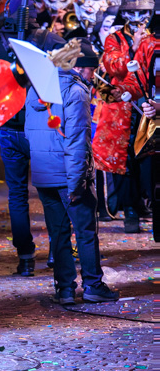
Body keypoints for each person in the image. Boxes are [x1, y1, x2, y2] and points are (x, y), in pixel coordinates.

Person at [24, 40, 119, 305]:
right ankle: (93, 285)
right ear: (79, 67)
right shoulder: (76, 92)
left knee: (59, 233)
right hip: (69, 175)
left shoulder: (36, 89)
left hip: (44, 175)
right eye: (92, 69)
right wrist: (77, 184)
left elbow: (31, 133)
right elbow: (77, 143)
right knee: (85, 232)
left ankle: (64, 289)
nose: (94, 75)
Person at [0, 0, 65, 276]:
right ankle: (58, 251)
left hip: (10, 127)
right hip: (41, 126)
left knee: (18, 194)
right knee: (51, 191)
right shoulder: (47, 39)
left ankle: (26, 258)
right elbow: (75, 67)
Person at [93, 0, 154, 231]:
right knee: (127, 155)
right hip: (124, 104)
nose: (138, 19)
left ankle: (145, 202)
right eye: (132, 13)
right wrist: (136, 49)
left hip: (149, 101)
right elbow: (113, 66)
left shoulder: (155, 36)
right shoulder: (114, 38)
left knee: (148, 154)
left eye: (143, 14)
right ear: (124, 13)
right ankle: (130, 209)